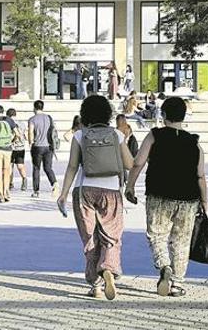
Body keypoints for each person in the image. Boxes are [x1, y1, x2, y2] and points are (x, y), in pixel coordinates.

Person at [125, 97, 207, 297]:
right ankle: (177, 284)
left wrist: (130, 187)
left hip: (159, 194)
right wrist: (204, 202)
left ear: (163, 115)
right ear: (183, 116)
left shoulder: (155, 135)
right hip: (188, 199)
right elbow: (200, 175)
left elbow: (138, 162)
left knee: (157, 235)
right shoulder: (194, 142)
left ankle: (164, 265)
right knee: (181, 240)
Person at [56, 95, 134, 300]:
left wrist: (63, 194)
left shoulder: (80, 136)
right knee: (111, 235)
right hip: (111, 192)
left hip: (84, 191)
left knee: (90, 237)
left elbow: (72, 166)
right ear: (108, 113)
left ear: (85, 113)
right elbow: (129, 164)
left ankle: (96, 285)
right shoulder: (116, 134)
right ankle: (108, 268)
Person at [28, 100, 60, 199]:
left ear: (34, 108)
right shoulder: (49, 118)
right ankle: (54, 183)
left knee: (36, 168)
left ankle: (36, 191)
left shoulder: (32, 119)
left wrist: (30, 142)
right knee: (48, 168)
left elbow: (30, 132)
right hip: (49, 146)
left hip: (37, 146)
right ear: (42, 107)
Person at [7, 108, 29, 192]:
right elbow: (25, 134)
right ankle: (23, 179)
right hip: (20, 147)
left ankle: (11, 182)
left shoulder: (9, 123)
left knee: (11, 166)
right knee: (20, 166)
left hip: (12, 147)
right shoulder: (22, 123)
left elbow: (16, 135)